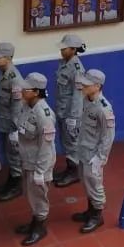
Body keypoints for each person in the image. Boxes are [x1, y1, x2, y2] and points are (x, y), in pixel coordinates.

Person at [70, 69, 115, 233]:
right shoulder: (87, 100)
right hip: (83, 150)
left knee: (95, 184)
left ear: (97, 86)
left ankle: (97, 216)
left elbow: (108, 137)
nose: (82, 85)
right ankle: (90, 211)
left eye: (87, 84)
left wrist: (100, 158)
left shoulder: (104, 109)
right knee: (86, 181)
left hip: (94, 155)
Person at [15, 73, 57, 246]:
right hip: (27, 159)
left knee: (38, 196)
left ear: (36, 92)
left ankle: (40, 226)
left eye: (26, 89)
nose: (22, 91)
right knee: (29, 193)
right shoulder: (26, 106)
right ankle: (34, 221)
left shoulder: (44, 114)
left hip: (39, 163)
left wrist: (41, 171)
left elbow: (46, 147)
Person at [0, 42, 24, 200]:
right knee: (9, 154)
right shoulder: (3, 74)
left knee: (14, 154)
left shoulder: (14, 78)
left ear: (8, 58)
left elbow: (17, 106)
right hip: (4, 121)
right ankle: (11, 180)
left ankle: (16, 184)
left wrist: (16, 129)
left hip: (12, 124)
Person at [54, 33, 86, 188]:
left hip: (70, 113)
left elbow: (78, 95)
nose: (61, 50)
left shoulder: (77, 68)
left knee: (72, 142)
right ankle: (69, 168)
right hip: (62, 110)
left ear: (73, 49)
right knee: (66, 142)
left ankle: (74, 172)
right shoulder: (63, 63)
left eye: (64, 48)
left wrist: (73, 117)